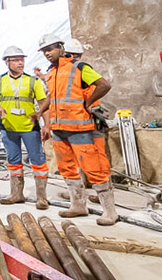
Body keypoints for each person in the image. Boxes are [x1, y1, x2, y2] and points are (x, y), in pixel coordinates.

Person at [35, 34, 119, 225]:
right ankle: (78, 205)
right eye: (45, 50)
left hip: (80, 129)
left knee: (93, 169)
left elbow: (104, 85)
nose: (48, 53)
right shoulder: (52, 72)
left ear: (60, 48)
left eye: (51, 49)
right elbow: (53, 97)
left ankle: (110, 212)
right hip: (59, 128)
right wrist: (41, 112)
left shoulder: (79, 68)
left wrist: (88, 102)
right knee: (66, 169)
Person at [0, 46, 51, 208]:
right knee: (13, 161)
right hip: (8, 128)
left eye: (22, 60)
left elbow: (43, 104)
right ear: (7, 62)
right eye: (16, 60)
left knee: (38, 161)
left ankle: (42, 197)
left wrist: (47, 125)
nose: (21, 63)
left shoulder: (33, 81)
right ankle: (16, 194)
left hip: (30, 128)